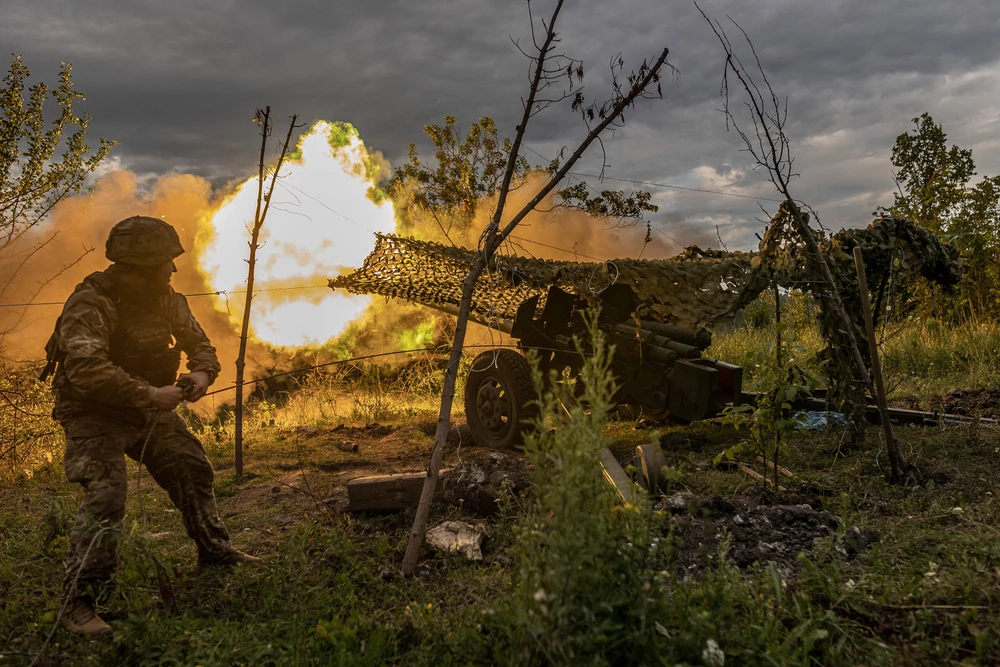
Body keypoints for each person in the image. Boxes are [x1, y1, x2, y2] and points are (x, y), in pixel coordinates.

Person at [41, 215, 260, 637]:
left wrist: (202, 374)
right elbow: (85, 370)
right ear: (137, 269)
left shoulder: (167, 299)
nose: (172, 269)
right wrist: (149, 393)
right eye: (163, 263)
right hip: (92, 412)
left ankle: (215, 552)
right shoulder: (91, 302)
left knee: (190, 466)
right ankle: (78, 602)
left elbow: (200, 344)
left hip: (146, 409)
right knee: (106, 496)